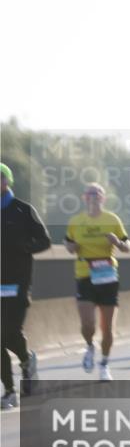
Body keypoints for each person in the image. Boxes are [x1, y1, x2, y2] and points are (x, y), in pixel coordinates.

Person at [65, 183, 130, 381]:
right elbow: (67, 241)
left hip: (107, 276)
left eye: (97, 193)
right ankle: (89, 346)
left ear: (103, 198)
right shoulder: (76, 221)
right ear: (84, 198)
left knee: (107, 328)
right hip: (84, 275)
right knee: (87, 324)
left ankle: (104, 363)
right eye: (90, 194)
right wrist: (71, 246)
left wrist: (118, 243)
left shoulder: (112, 220)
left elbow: (128, 245)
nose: (93, 197)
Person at [1, 163, 51, 408]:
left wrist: (25, 247)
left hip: (18, 283)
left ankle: (25, 360)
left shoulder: (23, 210)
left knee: (10, 330)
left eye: (0, 177)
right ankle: (10, 391)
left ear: (7, 180)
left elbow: (45, 240)